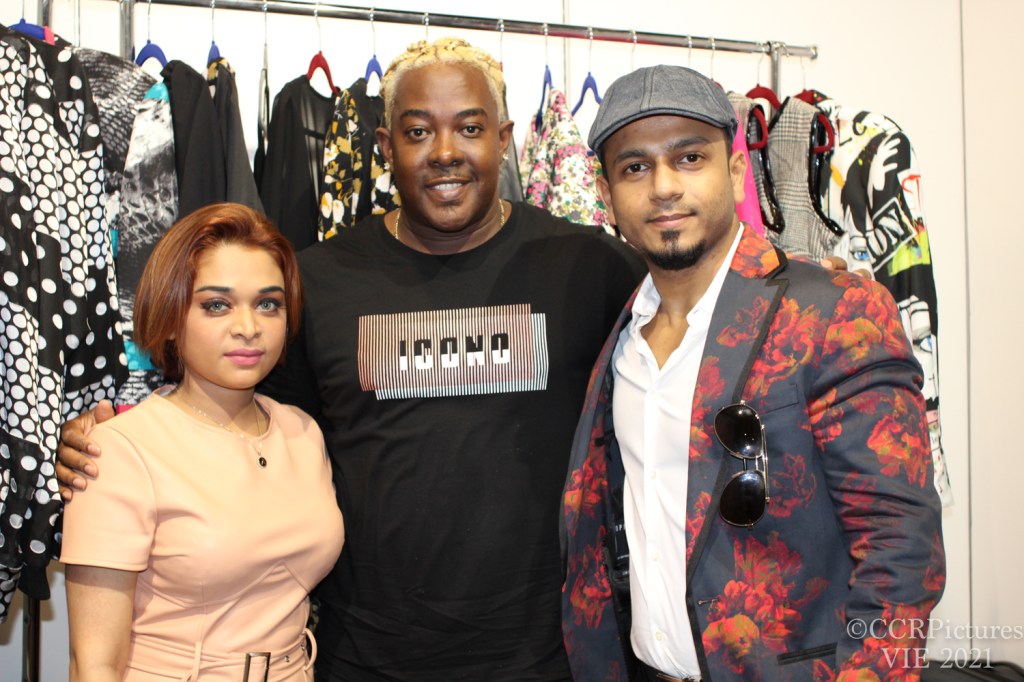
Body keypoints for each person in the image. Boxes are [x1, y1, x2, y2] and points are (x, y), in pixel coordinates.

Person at [59, 39, 646, 681]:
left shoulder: (591, 267)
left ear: (503, 139)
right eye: (417, 131)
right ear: (385, 147)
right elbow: (239, 421)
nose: (445, 151)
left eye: (470, 128)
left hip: (548, 655)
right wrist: (117, 442)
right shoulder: (317, 283)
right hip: (364, 658)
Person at [559, 65, 946, 682]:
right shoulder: (623, 340)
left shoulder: (832, 311)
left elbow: (902, 552)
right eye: (635, 167)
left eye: (689, 158)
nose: (663, 187)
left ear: (736, 171)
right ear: (606, 196)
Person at [60, 203, 344, 681]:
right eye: (216, 305)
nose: (248, 327)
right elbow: (94, 663)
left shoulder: (302, 432)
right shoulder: (121, 450)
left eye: (268, 304)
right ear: (171, 318)